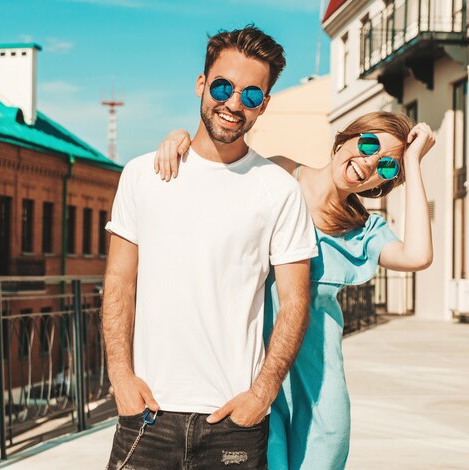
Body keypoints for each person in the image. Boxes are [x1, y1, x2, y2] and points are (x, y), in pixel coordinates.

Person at [154, 111, 435, 469]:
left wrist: (413, 162)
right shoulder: (281, 174)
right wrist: (183, 141)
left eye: (387, 166)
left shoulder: (363, 231)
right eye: (368, 145)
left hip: (319, 387)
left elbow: (418, 255)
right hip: (252, 374)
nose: (368, 164)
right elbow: (215, 188)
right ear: (347, 138)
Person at [102, 26, 319, 469]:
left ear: (264, 104)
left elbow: (297, 300)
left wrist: (263, 394)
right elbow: (119, 282)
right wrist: (120, 377)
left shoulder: (278, 190)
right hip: (146, 414)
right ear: (201, 84)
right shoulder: (143, 175)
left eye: (251, 94)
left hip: (232, 423)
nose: (234, 103)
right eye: (223, 86)